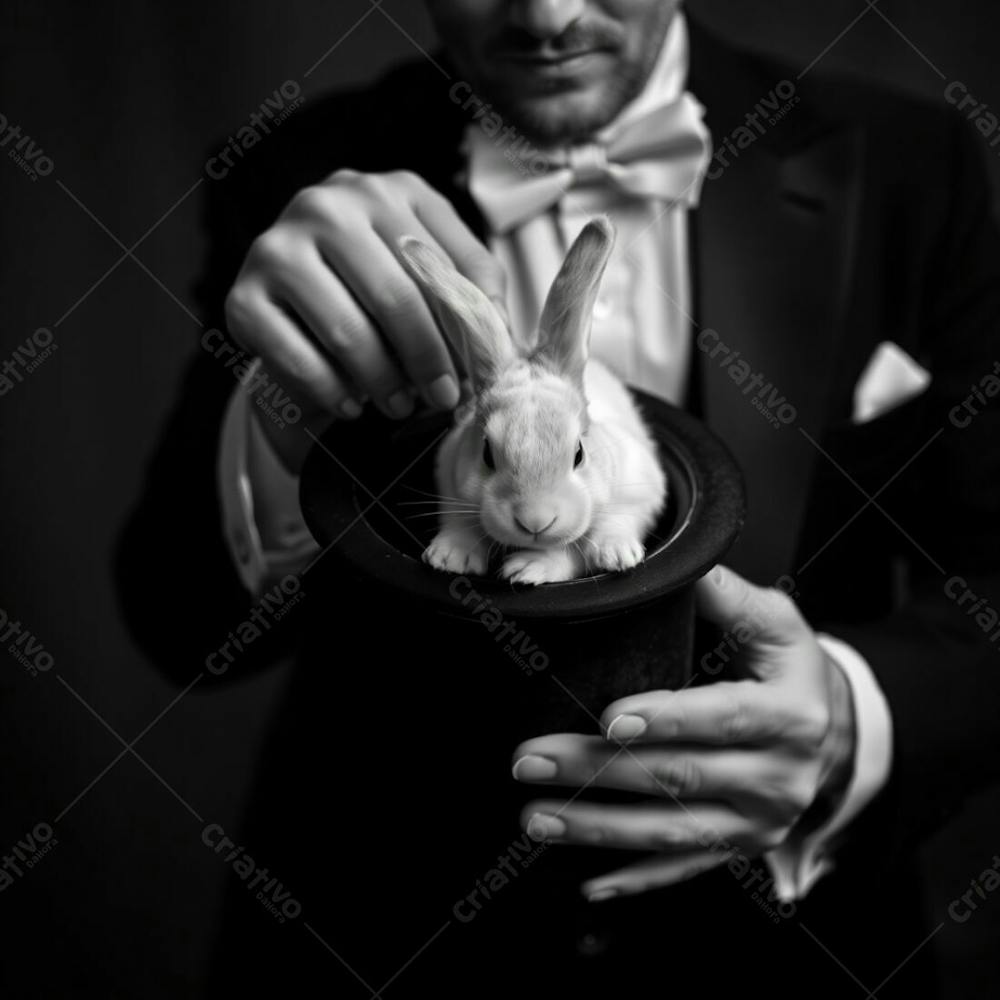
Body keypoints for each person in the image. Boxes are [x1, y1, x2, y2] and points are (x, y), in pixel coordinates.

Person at [118, 1, 1000, 996]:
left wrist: (852, 718)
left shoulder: (914, 161)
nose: (548, 12)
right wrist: (285, 403)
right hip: (383, 928)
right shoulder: (294, 166)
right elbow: (176, 617)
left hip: (792, 947)